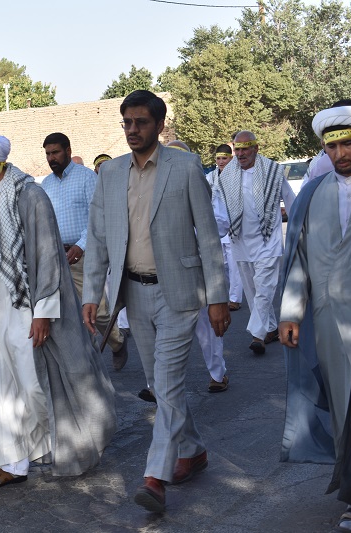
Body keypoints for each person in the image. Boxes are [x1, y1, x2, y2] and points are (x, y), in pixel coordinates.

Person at [82, 91, 230, 513]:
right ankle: (193, 451)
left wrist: (218, 297)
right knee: (161, 384)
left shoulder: (185, 167)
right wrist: (92, 293)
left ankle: (155, 477)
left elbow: (208, 236)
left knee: (165, 383)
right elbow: (97, 238)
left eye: (141, 122)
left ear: (160, 125)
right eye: (127, 122)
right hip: (133, 293)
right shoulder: (110, 173)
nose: (132, 130)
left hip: (178, 292)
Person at [0, 128, 116, 491]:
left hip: (26, 311)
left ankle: (61, 445)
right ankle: (11, 463)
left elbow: (48, 257)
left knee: (34, 387)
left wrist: (43, 312)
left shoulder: (30, 195)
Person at [279, 104, 351, 533]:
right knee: (346, 411)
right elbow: (298, 259)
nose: (339, 154)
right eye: (331, 147)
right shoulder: (313, 195)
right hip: (331, 326)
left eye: (347, 144)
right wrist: (291, 312)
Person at [40, 132, 127, 370]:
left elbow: (98, 217)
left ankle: (118, 342)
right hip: (58, 256)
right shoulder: (46, 184)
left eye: (55, 152)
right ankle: (87, 363)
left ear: (68, 151)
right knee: (68, 313)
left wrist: (81, 245)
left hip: (85, 254)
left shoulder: (87, 177)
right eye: (48, 154)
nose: (51, 158)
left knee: (98, 311)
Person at [216, 131, 296, 355]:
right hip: (240, 241)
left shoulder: (272, 171)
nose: (241, 154)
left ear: (256, 149)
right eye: (237, 149)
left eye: (245, 149)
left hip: (268, 240)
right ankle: (270, 329)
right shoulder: (227, 175)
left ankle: (257, 335)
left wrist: (299, 231)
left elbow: (291, 201)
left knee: (264, 288)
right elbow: (220, 209)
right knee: (253, 291)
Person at [164, 141, 230, 394]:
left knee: (207, 329)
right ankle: (156, 384)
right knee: (164, 332)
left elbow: (221, 225)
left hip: (198, 270)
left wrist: (196, 224)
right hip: (164, 273)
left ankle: (217, 374)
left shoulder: (203, 187)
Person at [207, 145, 243, 311]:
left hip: (234, 225)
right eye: (218, 158)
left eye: (224, 158)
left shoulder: (238, 176)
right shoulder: (210, 177)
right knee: (222, 265)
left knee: (235, 265)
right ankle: (225, 295)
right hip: (216, 227)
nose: (221, 162)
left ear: (231, 158)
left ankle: (235, 298)